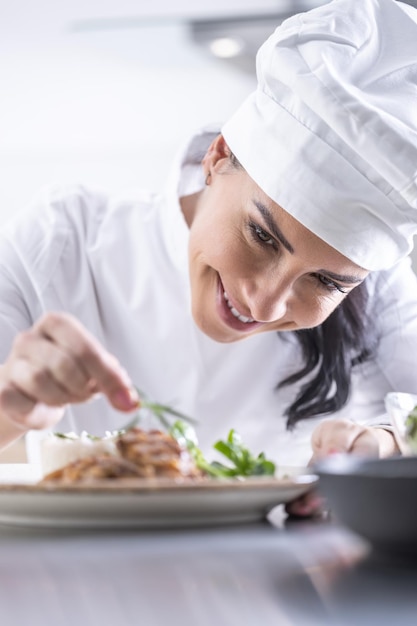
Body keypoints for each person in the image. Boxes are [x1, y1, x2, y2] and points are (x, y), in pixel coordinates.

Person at [0, 0, 417, 515]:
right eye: (262, 236)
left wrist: (387, 446)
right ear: (217, 158)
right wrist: (9, 405)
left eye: (326, 282)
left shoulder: (383, 296)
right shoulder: (61, 241)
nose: (265, 307)